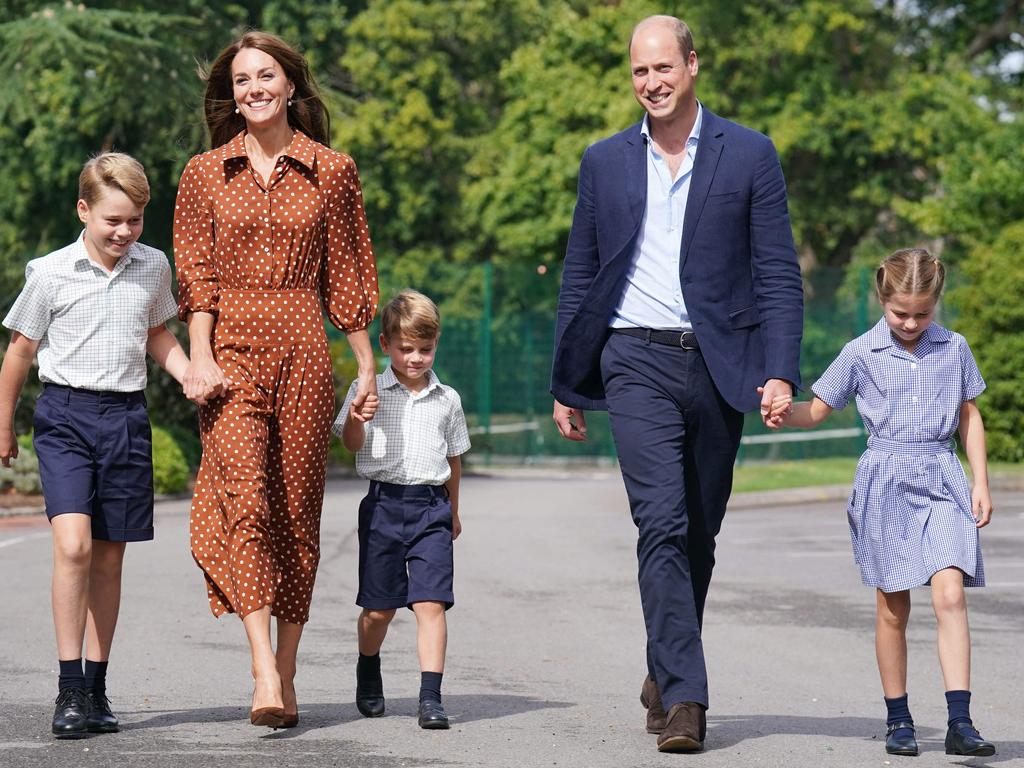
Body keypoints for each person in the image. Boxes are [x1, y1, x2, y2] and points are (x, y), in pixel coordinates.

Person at [550, 15, 804, 753]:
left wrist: (780, 368)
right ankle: (688, 700)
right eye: (639, 72)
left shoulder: (750, 154)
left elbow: (778, 272)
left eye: (663, 68)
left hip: (721, 365)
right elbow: (580, 274)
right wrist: (568, 377)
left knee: (699, 531)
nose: (652, 83)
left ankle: (664, 666)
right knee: (658, 522)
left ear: (692, 65)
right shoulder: (604, 163)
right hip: (633, 359)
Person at [172, 31, 379, 729]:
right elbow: (195, 279)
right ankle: (262, 663)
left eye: (266, 76)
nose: (253, 88)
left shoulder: (333, 170)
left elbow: (347, 273)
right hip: (229, 356)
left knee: (296, 514)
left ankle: (287, 667)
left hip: (304, 353)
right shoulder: (205, 173)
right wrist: (198, 357)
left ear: (290, 85)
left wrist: (367, 364)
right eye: (241, 80)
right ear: (231, 93)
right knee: (247, 503)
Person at [764, 248, 996, 758]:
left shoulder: (954, 348)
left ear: (936, 303)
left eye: (922, 313)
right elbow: (818, 410)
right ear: (882, 298)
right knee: (894, 607)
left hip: (942, 477)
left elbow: (969, 416)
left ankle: (961, 720)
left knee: (951, 593)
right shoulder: (859, 353)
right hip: (886, 481)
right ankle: (899, 720)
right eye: (901, 313)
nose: (911, 323)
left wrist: (980, 479)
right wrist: (783, 411)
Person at [0, 152, 188, 738]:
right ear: (83, 210)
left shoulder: (153, 266)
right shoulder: (50, 272)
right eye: (112, 220)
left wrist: (190, 375)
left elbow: (158, 334)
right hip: (65, 417)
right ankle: (68, 688)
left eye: (134, 220)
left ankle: (98, 687)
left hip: (127, 419)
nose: (123, 232)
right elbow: (21, 353)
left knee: (109, 555)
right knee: (75, 546)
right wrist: (3, 424)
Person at [335, 290, 470, 730]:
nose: (415, 358)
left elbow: (454, 458)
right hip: (383, 507)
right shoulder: (366, 389)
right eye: (406, 348)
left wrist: (453, 509)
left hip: (431, 508)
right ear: (385, 346)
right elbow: (350, 445)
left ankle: (430, 697)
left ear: (436, 345)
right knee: (379, 610)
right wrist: (358, 417)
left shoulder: (447, 398)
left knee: (431, 603)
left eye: (425, 349)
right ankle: (368, 665)